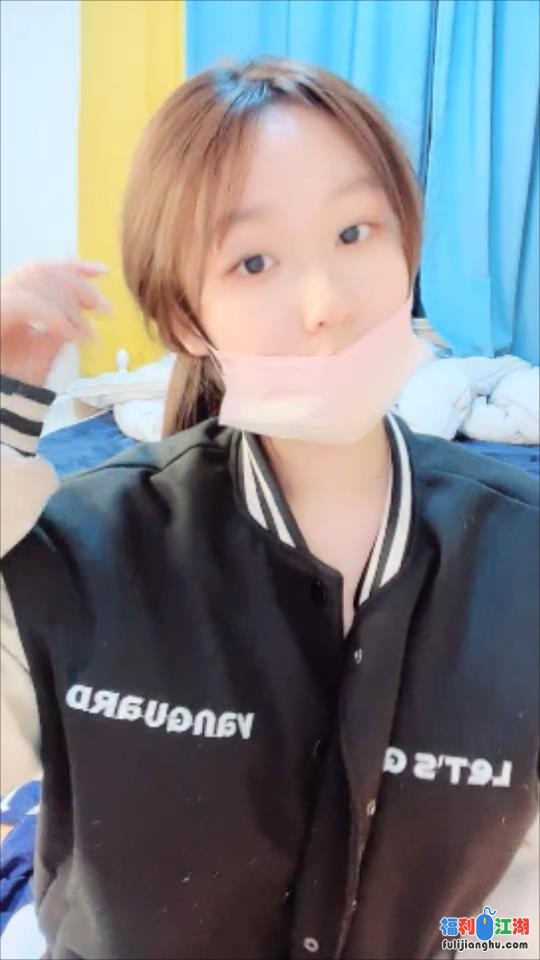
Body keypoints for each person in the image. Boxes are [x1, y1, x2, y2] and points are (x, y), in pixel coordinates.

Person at [0, 56, 538, 960]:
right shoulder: (83, 552)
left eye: (356, 232)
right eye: (254, 260)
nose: (326, 303)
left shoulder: (522, 559)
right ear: (184, 319)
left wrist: (455, 948)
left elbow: (520, 908)